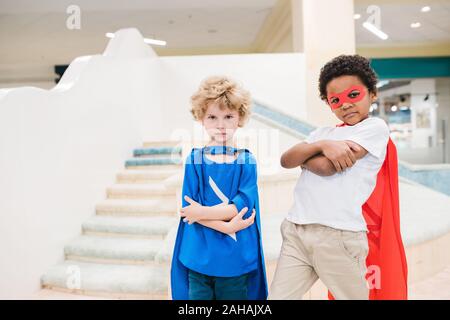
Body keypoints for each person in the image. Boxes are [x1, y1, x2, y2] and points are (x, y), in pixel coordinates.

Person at [269, 54, 407, 300]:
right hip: (296, 230)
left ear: (372, 93)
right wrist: (323, 144)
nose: (345, 104)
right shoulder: (323, 132)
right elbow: (286, 159)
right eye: (335, 100)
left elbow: (326, 167)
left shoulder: (374, 128)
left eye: (353, 95)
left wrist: (307, 155)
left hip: (338, 235)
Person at [170, 76, 268, 300]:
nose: (221, 125)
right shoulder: (195, 160)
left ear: (239, 118)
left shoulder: (246, 161)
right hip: (198, 254)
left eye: (228, 116)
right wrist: (225, 226)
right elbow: (188, 210)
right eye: (212, 117)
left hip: (234, 257)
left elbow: (242, 207)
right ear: (201, 119)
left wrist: (202, 213)